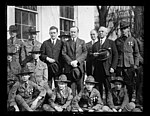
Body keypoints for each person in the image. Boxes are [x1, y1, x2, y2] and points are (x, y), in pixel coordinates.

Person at [92, 26, 118, 103]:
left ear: (106, 33)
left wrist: (113, 67)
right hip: (98, 69)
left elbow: (115, 55)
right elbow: (92, 58)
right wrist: (94, 56)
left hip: (107, 69)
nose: (101, 33)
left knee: (108, 87)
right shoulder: (95, 45)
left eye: (102, 31)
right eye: (99, 31)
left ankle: (109, 103)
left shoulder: (111, 43)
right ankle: (99, 103)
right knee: (98, 87)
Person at [115, 21, 140, 102]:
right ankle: (120, 101)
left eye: (125, 28)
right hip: (119, 66)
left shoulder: (133, 40)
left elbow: (136, 53)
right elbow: (115, 54)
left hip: (129, 66)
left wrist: (135, 65)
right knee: (119, 84)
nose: (123, 30)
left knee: (129, 84)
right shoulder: (117, 41)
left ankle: (129, 101)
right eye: (122, 29)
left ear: (128, 29)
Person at [62, 26, 87, 97]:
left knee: (80, 86)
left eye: (74, 32)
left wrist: (77, 61)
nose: (73, 33)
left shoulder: (82, 42)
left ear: (77, 33)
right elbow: (63, 53)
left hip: (79, 68)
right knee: (71, 86)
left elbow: (85, 53)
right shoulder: (66, 43)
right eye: (71, 32)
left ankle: (80, 102)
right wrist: (71, 62)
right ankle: (72, 102)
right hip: (70, 68)